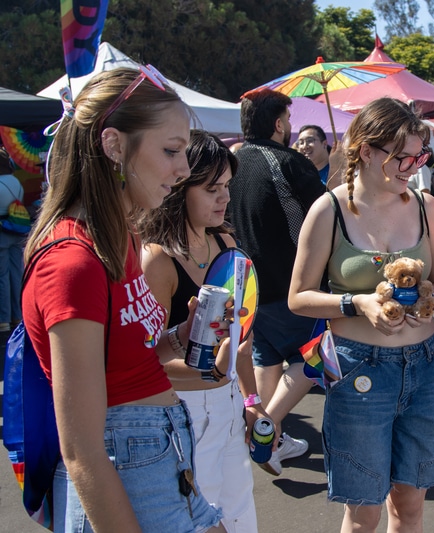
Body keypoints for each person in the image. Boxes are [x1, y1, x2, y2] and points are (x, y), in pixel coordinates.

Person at [22, 68, 225, 532]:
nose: (184, 169)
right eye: (171, 151)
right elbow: (83, 453)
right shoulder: (73, 262)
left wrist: (181, 337)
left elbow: (126, 359)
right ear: (113, 145)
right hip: (127, 468)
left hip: (167, 463)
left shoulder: (123, 238)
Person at [288, 97, 434, 532]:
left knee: (410, 506)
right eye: (403, 156)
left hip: (426, 368)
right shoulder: (329, 209)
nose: (413, 166)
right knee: (363, 513)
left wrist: (429, 300)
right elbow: (299, 297)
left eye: (419, 156)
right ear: (367, 151)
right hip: (358, 369)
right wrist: (356, 303)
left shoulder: (426, 205)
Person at [139, 130, 261, 532]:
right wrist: (208, 367)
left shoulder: (227, 243)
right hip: (180, 414)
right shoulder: (156, 258)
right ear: (179, 187)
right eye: (212, 188)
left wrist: (251, 400)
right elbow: (143, 360)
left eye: (227, 186)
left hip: (227, 408)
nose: (224, 198)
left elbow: (240, 340)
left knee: (241, 520)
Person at [228, 88, 325, 475]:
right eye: (288, 119)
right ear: (280, 123)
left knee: (267, 361)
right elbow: (324, 220)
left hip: (248, 285)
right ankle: (267, 429)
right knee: (322, 353)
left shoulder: (232, 162)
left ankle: (271, 438)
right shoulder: (288, 162)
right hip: (293, 286)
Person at [0, 147, 24, 332]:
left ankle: (4, 320)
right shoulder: (15, 181)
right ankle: (18, 316)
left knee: (2, 277)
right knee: (17, 274)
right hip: (18, 229)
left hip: (3, 231)